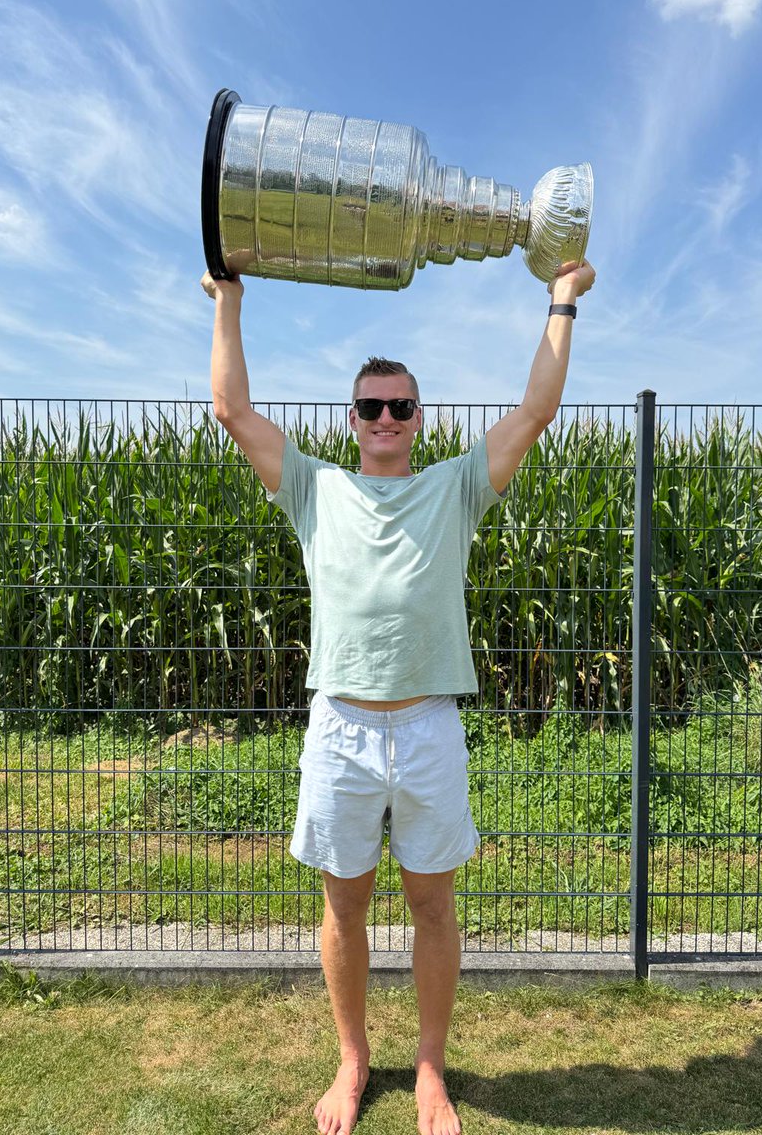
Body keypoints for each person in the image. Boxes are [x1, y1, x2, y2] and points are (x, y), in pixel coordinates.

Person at [203, 257, 596, 1135]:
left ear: (420, 419)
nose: (387, 418)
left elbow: (536, 412)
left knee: (431, 905)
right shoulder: (314, 487)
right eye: (372, 406)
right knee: (344, 904)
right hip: (339, 728)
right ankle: (351, 1064)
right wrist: (229, 302)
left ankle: (427, 1069)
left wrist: (560, 302)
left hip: (427, 729)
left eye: (401, 406)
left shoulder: (455, 488)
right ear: (352, 420)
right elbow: (231, 410)